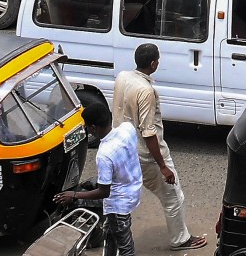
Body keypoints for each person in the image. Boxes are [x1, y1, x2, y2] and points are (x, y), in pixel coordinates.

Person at [111, 44, 208, 251]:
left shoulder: (123, 77)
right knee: (174, 197)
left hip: (124, 149)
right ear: (154, 63)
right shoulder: (146, 91)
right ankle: (180, 240)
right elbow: (148, 132)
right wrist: (163, 166)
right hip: (146, 155)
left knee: (120, 195)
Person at [55, 99, 142, 256]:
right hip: (132, 191)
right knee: (110, 234)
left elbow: (104, 192)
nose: (87, 129)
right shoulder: (127, 129)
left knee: (125, 247)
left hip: (118, 204)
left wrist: (74, 195)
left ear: (93, 128)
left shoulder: (104, 154)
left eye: (87, 126)